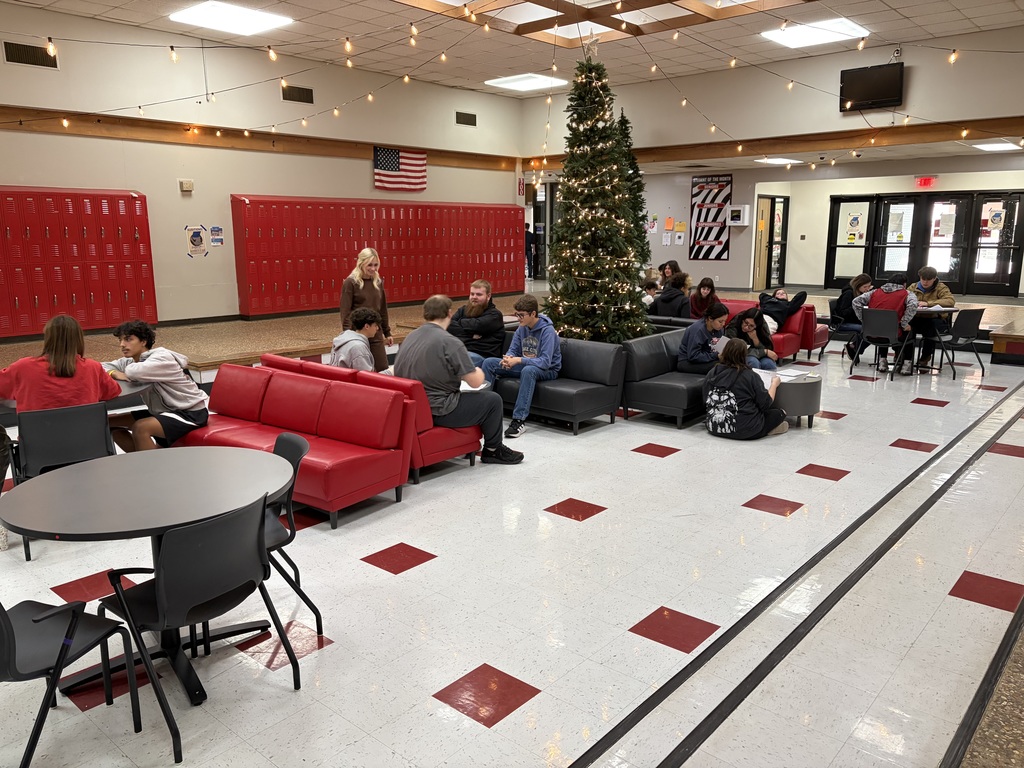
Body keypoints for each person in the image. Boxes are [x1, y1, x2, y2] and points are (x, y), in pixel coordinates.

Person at [394, 295, 523, 465]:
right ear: (449, 313)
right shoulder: (449, 342)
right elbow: (476, 382)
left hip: (413, 407)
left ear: (425, 313)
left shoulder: (410, 338)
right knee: (492, 400)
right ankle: (493, 449)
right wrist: (477, 370)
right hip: (439, 408)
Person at [0, 314, 122, 479]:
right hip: (88, 449)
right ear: (79, 339)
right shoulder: (93, 368)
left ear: (47, 338)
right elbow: (113, 391)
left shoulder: (22, 368)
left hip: (39, 455)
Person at [104, 320, 210, 451]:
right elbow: (101, 367)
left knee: (141, 427)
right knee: (109, 422)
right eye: (120, 340)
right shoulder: (131, 361)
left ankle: (150, 469)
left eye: (128, 339)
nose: (122, 344)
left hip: (188, 413)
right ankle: (140, 462)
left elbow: (134, 372)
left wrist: (122, 372)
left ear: (143, 341)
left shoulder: (162, 358)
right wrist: (114, 372)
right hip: (162, 412)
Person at [481, 294, 561, 439]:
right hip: (525, 365)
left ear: (533, 314)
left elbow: (545, 362)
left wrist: (518, 360)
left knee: (528, 370)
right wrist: (509, 358)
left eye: (522, 315)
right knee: (489, 363)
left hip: (548, 370)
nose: (518, 318)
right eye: (517, 314)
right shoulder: (521, 328)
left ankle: (519, 420)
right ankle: (483, 412)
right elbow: (513, 349)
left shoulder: (547, 331)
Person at [704, 338, 788, 439]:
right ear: (745, 356)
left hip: (713, 427)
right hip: (747, 430)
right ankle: (768, 430)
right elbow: (766, 404)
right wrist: (774, 384)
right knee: (780, 413)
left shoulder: (712, 372)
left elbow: (705, 399)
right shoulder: (750, 376)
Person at [852, 272, 919, 375]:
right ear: (904, 284)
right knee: (909, 330)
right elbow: (914, 304)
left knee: (882, 327)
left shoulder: (873, 292)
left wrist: (865, 321)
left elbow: (856, 302)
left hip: (871, 333)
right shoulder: (907, 294)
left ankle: (882, 361)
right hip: (895, 335)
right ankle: (906, 364)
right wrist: (904, 323)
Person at [340, 247, 393, 372]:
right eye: (369, 265)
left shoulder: (378, 282)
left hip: (376, 333)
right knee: (362, 372)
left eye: (376, 265)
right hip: (358, 334)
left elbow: (382, 309)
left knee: (382, 368)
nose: (373, 269)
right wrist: (349, 336)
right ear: (361, 263)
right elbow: (345, 313)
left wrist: (387, 332)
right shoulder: (351, 283)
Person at [447, 279, 505, 366]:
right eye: (472, 294)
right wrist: (470, 335)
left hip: (483, 356)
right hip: (462, 350)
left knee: (455, 360)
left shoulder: (494, 315)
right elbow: (448, 324)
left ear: (488, 296)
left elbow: (476, 325)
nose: (474, 297)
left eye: (479, 294)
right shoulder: (463, 310)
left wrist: (459, 322)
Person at [908, 266, 956, 370]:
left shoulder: (941, 287)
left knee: (930, 329)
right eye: (923, 279)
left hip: (934, 318)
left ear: (934, 278)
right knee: (905, 327)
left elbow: (950, 301)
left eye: (928, 280)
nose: (925, 282)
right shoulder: (913, 287)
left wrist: (928, 303)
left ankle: (925, 356)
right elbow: (904, 298)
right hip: (916, 318)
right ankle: (905, 357)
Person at [677, 302, 729, 374]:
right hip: (687, 362)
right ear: (710, 318)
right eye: (720, 321)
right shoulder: (698, 330)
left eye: (725, 321)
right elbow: (693, 356)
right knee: (721, 367)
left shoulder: (719, 329)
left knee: (733, 364)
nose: (723, 324)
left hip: (708, 359)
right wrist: (715, 355)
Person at [330, 307, 381, 372]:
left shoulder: (342, 339)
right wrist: (390, 371)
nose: (377, 328)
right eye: (375, 325)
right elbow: (367, 377)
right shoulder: (358, 347)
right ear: (367, 326)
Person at [837, 273, 873, 361]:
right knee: (867, 330)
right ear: (858, 285)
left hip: (854, 320)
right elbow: (842, 313)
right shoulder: (848, 294)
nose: (867, 289)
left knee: (874, 329)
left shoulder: (861, 294)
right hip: (843, 322)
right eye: (865, 287)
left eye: (869, 287)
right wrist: (856, 306)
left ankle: (854, 347)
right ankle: (855, 348)